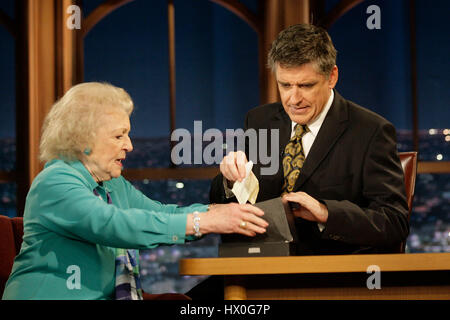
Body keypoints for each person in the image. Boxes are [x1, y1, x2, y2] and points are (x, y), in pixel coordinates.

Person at [2, 82, 268, 300]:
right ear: (82, 139)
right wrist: (206, 220)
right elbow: (114, 225)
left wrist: (219, 213)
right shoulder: (55, 182)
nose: (129, 145)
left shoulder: (112, 184)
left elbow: (158, 214)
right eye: (119, 136)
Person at [210, 23, 409, 255]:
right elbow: (221, 205)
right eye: (285, 85)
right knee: (198, 294)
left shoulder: (371, 131)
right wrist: (229, 181)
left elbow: (394, 222)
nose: (294, 99)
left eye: (306, 85)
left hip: (333, 274)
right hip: (260, 266)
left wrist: (326, 213)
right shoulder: (259, 120)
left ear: (331, 77)